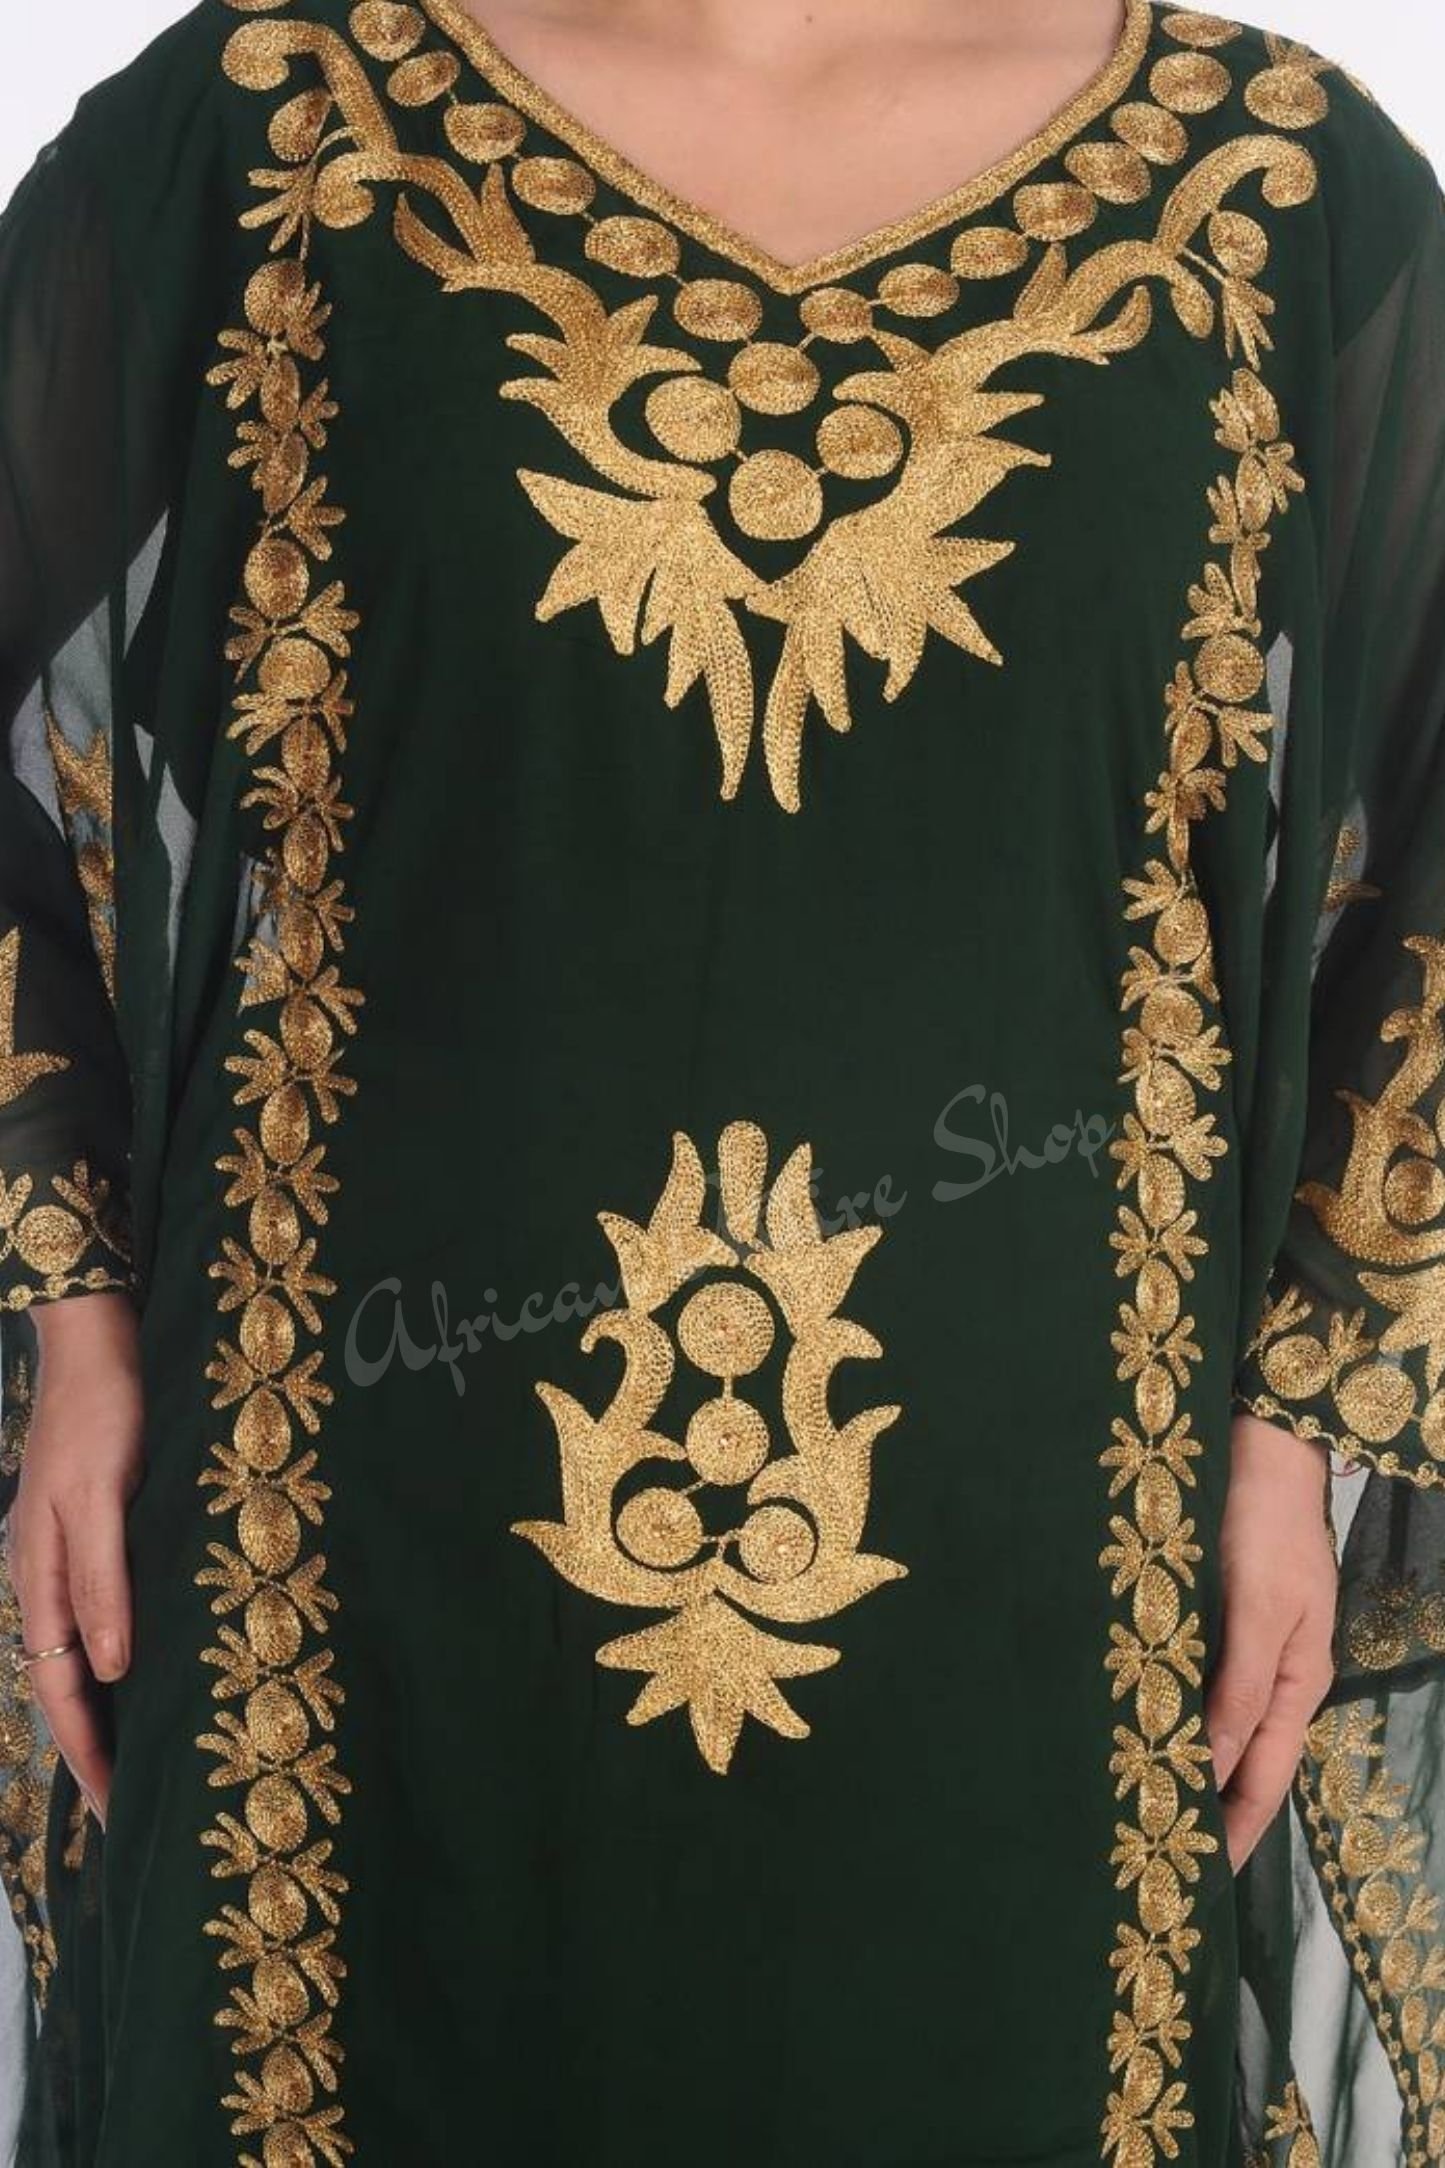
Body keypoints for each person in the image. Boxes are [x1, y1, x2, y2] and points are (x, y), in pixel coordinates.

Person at [0, 0, 1440, 2158]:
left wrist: (1288, 1431)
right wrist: (80, 1320)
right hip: (349, 1543)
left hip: (1054, 1549)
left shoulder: (1274, 191)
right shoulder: (276, 130)